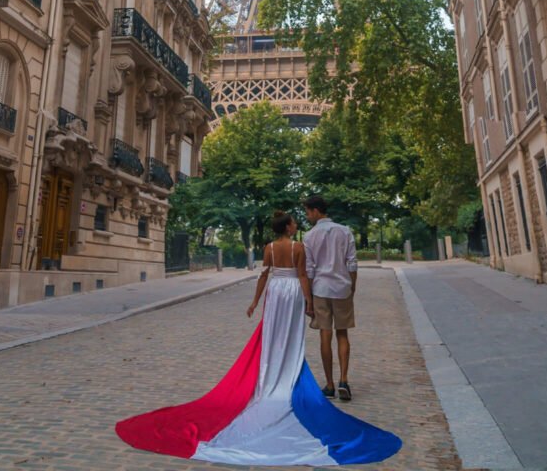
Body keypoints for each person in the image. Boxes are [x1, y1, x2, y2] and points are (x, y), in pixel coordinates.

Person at [115, 209, 401, 466]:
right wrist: (309, 302)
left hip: (276, 290)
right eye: (293, 223)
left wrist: (255, 301)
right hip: (292, 290)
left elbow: (264, 275)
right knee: (292, 335)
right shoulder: (299, 247)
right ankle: (288, 368)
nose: (296, 225)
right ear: (288, 227)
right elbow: (303, 276)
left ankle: (271, 368)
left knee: (273, 332)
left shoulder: (269, 248)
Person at [304, 194, 357, 402]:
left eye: (308, 212)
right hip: (342, 287)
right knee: (342, 333)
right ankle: (344, 380)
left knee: (324, 335)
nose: (307, 216)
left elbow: (309, 269)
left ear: (316, 211)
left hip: (320, 288)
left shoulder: (309, 236)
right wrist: (352, 285)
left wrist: (308, 296)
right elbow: (352, 262)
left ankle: (329, 384)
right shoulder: (345, 231)